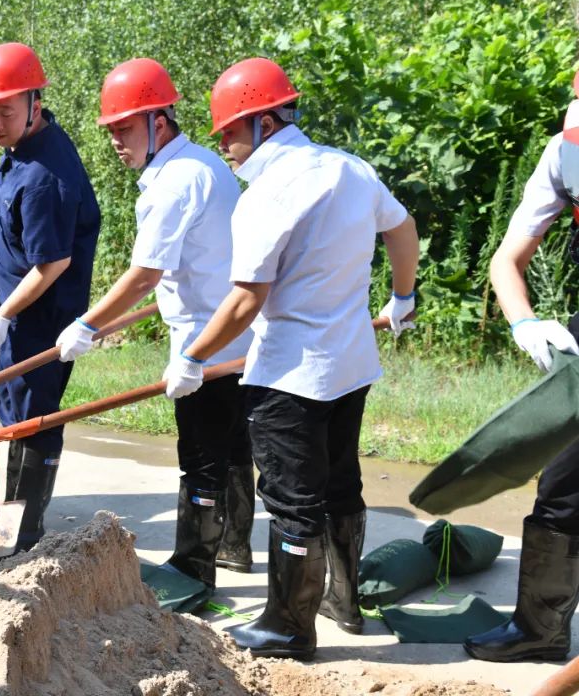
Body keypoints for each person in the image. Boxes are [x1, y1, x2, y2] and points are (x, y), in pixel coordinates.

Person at [164, 57, 418, 660]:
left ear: (266, 122)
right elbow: (403, 229)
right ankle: (343, 603)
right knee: (341, 484)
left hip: (291, 376)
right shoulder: (349, 167)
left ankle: (287, 627)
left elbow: (246, 300)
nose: (223, 145)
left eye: (229, 131)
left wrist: (192, 358)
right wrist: (403, 297)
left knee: (292, 500)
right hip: (351, 364)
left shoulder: (266, 195)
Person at [55, 58, 250, 598]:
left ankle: (194, 569)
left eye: (125, 128)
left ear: (158, 122)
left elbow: (145, 274)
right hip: (237, 328)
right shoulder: (206, 163)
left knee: (202, 455)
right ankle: (234, 546)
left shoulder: (173, 184)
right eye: (112, 130)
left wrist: (87, 325)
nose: (116, 141)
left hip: (205, 339)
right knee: (235, 446)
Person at [464, 73, 579, 664]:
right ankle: (541, 630)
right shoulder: (565, 151)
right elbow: (506, 259)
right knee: (563, 486)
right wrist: (524, 324)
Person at [0, 42, 100, 553]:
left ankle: (22, 539)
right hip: (18, 317)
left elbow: (53, 263)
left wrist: (3, 314)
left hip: (39, 320)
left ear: (35, 105)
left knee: (33, 420)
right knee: (16, 417)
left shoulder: (45, 175)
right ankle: (9, 522)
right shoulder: (24, 148)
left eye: (5, 112)